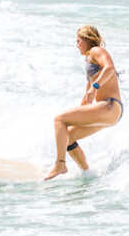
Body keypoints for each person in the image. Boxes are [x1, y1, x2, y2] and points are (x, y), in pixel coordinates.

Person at [45, 24, 123, 181]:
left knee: (59, 119)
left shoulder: (96, 51)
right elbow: (87, 99)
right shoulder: (90, 62)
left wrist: (95, 87)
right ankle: (87, 174)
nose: (77, 45)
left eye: (78, 41)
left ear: (87, 40)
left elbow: (110, 68)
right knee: (67, 137)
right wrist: (79, 114)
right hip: (109, 112)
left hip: (110, 106)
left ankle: (60, 164)